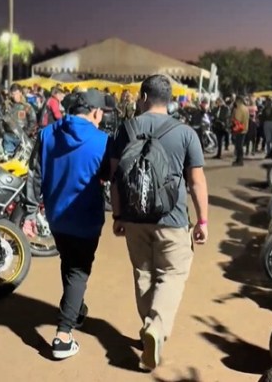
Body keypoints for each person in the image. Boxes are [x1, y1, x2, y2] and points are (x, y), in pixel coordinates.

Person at [109, 74, 209, 371]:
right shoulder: (186, 133)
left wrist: (118, 216)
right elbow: (196, 181)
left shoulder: (125, 129)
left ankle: (149, 328)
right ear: (170, 100)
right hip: (173, 218)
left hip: (134, 217)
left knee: (143, 273)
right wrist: (202, 220)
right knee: (172, 274)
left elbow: (115, 178)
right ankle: (156, 328)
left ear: (142, 97)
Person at [30, 89, 110, 360]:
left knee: (69, 262)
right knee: (78, 272)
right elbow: (109, 174)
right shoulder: (102, 140)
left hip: (56, 216)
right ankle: (63, 336)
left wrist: (30, 211)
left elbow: (35, 174)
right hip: (86, 218)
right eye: (101, 114)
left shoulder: (46, 134)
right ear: (95, 112)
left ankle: (76, 309)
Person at [0, 84, 37, 155]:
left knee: (21, 158)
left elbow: (33, 121)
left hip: (22, 138)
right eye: (13, 94)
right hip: (9, 137)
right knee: (8, 158)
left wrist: (26, 133)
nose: (15, 96)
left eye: (16, 93)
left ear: (20, 93)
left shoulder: (27, 107)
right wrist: (2, 132)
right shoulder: (6, 106)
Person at [231, 96, 249, 166]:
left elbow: (237, 119)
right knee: (240, 145)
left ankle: (240, 160)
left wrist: (233, 119)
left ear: (238, 101)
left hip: (239, 129)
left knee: (239, 146)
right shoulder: (245, 108)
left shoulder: (239, 109)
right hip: (244, 128)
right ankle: (239, 159)